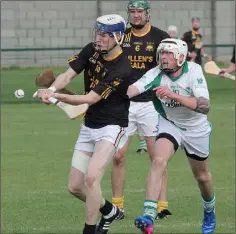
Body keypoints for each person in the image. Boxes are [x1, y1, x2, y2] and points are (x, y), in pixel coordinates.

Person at [35, 14, 132, 234]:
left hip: (112, 127)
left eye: (105, 35)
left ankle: (90, 230)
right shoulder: (91, 50)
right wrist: (51, 90)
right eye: (98, 33)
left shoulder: (122, 69)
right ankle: (108, 210)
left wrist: (57, 98)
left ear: (118, 37)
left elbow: (90, 99)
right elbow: (67, 76)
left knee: (91, 179)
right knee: (75, 186)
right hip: (89, 126)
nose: (100, 39)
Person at [127, 38, 216, 234]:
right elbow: (132, 90)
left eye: (168, 53)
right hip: (171, 124)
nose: (163, 57)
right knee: (158, 160)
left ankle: (209, 210)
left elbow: (204, 106)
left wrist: (172, 95)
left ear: (180, 57)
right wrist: (111, 91)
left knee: (202, 177)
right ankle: (149, 216)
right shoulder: (155, 73)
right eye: (162, 53)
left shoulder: (193, 71)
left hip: (196, 128)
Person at [107, 0, 171, 225]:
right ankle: (117, 205)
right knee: (117, 156)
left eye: (139, 12)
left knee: (157, 157)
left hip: (151, 105)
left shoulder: (161, 38)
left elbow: (171, 66)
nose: (135, 16)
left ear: (147, 13)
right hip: (123, 104)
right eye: (132, 12)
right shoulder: (120, 37)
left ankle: (161, 206)